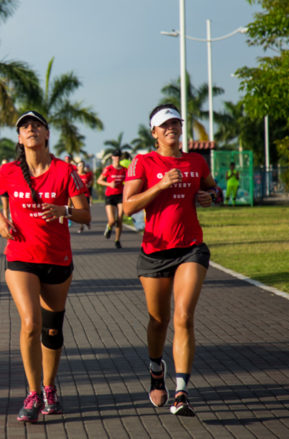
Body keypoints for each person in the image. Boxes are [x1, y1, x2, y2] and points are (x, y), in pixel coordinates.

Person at [0, 110, 91, 423]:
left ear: (47, 134)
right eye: (24, 127)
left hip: (57, 259)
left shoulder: (65, 171)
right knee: (30, 322)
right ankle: (32, 393)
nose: (30, 129)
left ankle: (49, 386)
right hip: (20, 256)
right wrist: (0, 220)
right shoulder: (8, 170)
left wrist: (64, 209)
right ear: (20, 138)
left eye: (36, 125)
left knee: (52, 329)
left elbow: (86, 215)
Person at [123, 104, 218, 417]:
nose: (172, 129)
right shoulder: (144, 162)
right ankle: (155, 368)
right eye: (165, 125)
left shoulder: (196, 161)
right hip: (155, 252)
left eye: (176, 123)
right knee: (159, 320)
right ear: (154, 133)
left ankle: (181, 393)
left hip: (191, 248)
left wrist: (210, 197)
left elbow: (213, 191)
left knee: (183, 316)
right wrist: (160, 185)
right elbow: (128, 207)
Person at [97, 150, 127, 248]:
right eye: (115, 156)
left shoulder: (124, 170)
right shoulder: (108, 169)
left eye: (118, 156)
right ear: (112, 158)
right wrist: (109, 184)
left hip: (120, 195)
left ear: (120, 158)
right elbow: (99, 181)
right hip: (110, 195)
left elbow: (128, 182)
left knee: (119, 219)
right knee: (112, 220)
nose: (117, 158)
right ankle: (109, 227)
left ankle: (117, 240)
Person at [76, 160, 94, 233]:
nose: (81, 167)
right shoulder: (75, 175)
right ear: (77, 167)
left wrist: (89, 185)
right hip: (77, 195)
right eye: (80, 165)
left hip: (86, 195)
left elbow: (91, 180)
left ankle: (87, 222)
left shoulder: (88, 174)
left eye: (83, 166)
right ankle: (81, 226)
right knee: (80, 210)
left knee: (86, 210)